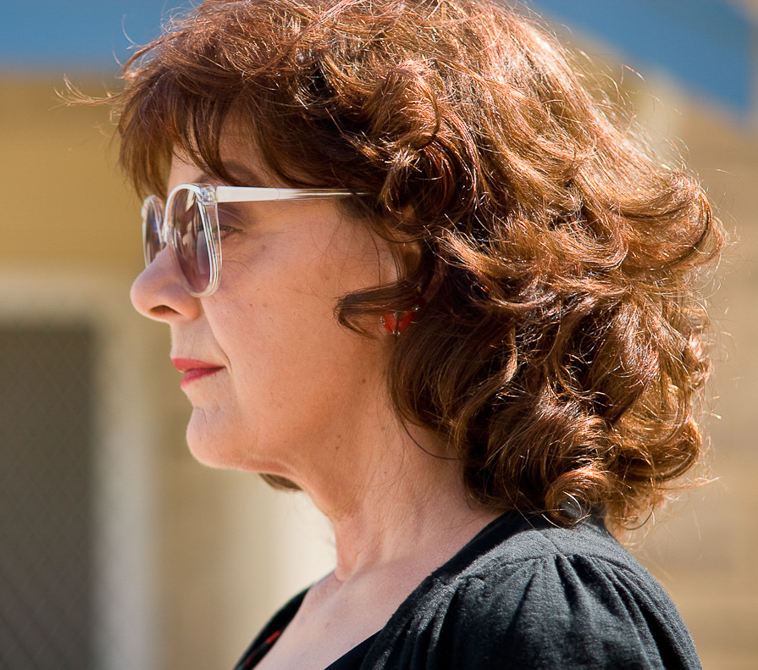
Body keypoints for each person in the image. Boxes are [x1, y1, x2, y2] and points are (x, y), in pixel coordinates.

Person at [78, 0, 724, 667]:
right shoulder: (298, 626)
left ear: (413, 250)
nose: (151, 290)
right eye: (165, 229)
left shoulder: (543, 617)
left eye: (212, 224)